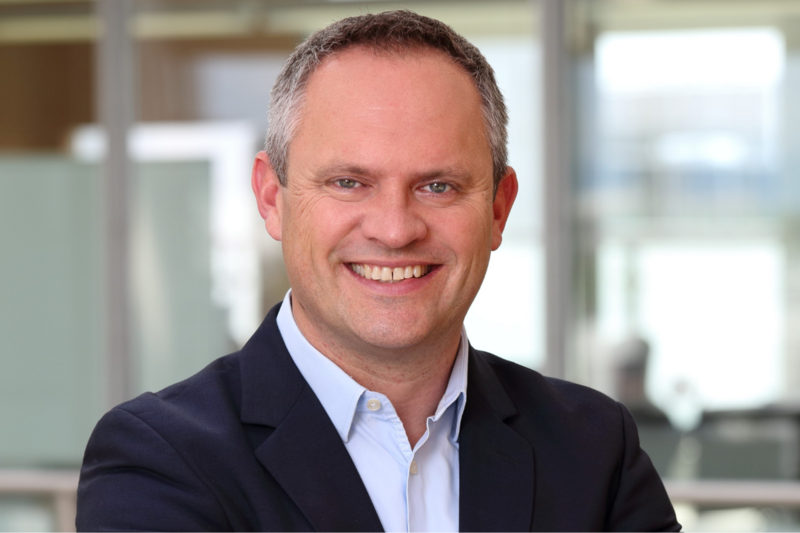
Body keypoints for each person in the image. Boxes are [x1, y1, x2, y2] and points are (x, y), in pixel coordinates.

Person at [76, 10, 680, 532]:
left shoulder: (594, 449)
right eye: (348, 182)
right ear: (271, 198)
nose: (395, 230)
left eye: (438, 186)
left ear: (499, 209)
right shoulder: (160, 458)